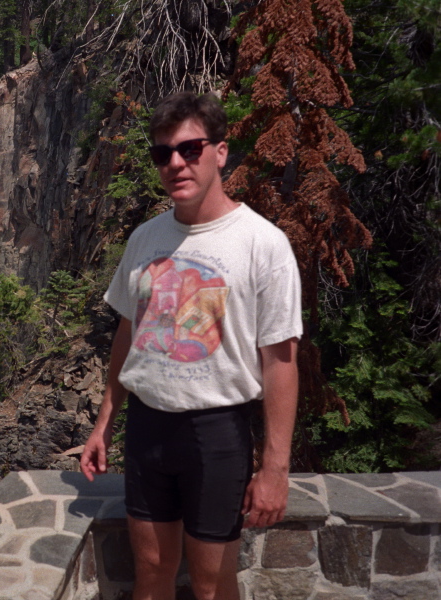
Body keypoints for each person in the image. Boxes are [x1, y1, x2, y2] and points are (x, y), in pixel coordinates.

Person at [80, 91, 302, 600]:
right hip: (147, 427)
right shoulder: (145, 240)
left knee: (210, 584)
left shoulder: (262, 244)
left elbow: (280, 362)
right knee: (153, 568)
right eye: (163, 154)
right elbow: (129, 334)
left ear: (220, 152)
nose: (176, 163)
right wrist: (104, 424)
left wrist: (274, 468)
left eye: (190, 149)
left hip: (216, 434)